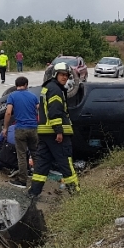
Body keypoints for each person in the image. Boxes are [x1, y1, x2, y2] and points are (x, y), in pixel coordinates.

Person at [29, 62, 79, 199]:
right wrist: (59, 131)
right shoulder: (56, 90)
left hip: (45, 134)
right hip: (55, 134)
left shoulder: (47, 88)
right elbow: (55, 112)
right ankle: (76, 194)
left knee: (42, 164)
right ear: (55, 75)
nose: (65, 78)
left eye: (67, 76)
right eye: (62, 75)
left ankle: (34, 192)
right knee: (66, 163)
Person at [3, 76, 39, 188]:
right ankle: (38, 178)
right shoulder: (33, 96)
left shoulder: (12, 96)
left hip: (20, 129)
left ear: (16, 85)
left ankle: (23, 180)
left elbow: (8, 113)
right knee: (35, 154)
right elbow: (39, 110)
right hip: (33, 128)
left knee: (22, 155)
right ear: (26, 85)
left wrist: (5, 128)